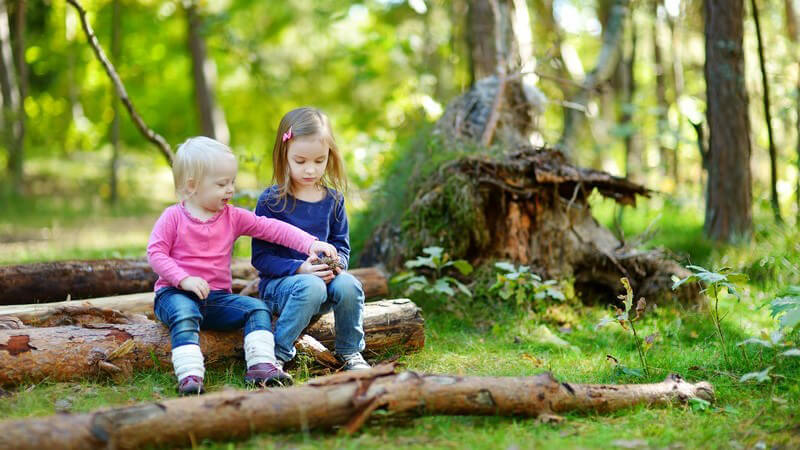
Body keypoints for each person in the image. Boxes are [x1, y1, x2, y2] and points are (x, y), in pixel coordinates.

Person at [147, 136, 337, 395]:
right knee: (185, 314)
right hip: (174, 293)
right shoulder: (173, 217)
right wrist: (183, 279)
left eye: (232, 182)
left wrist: (309, 244)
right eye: (222, 184)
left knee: (257, 309)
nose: (230, 190)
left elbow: (270, 228)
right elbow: (156, 253)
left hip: (215, 299)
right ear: (192, 186)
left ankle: (261, 366)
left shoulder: (232, 216)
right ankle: (190, 375)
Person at [252, 107, 370, 371]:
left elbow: (342, 246)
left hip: (323, 285)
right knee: (311, 286)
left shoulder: (334, 201)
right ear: (284, 156)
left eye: (319, 161)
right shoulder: (272, 202)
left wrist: (337, 265)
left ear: (330, 156)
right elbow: (260, 258)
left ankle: (350, 352)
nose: (310, 169)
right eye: (301, 160)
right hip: (281, 288)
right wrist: (300, 268)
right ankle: (278, 353)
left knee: (350, 285)